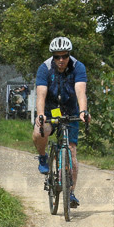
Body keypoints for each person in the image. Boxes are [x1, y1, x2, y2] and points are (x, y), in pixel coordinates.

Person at [32, 36, 89, 208]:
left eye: (64, 56)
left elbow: (80, 91)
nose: (61, 60)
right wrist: (41, 115)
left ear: (69, 55)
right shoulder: (45, 68)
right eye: (57, 57)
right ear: (53, 57)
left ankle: (70, 192)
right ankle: (43, 157)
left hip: (71, 109)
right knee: (39, 131)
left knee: (71, 151)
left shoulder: (78, 67)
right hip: (52, 109)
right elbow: (41, 93)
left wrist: (83, 111)